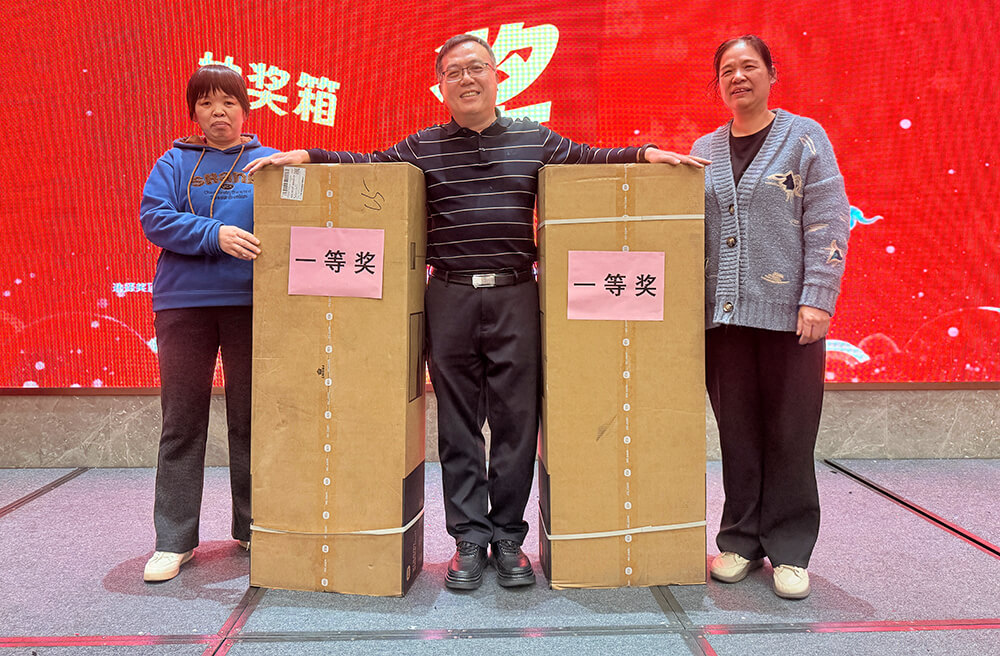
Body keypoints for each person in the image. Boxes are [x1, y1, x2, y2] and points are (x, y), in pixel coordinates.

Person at [245, 33, 708, 590]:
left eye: (476, 68)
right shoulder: (423, 147)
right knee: (459, 422)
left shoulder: (534, 138)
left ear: (496, 75)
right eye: (454, 72)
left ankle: (508, 537)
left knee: (517, 421)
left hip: (517, 296)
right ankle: (468, 538)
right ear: (440, 85)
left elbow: (590, 159)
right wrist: (309, 156)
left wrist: (646, 153)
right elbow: (370, 167)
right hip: (450, 296)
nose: (466, 79)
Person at [691, 35, 849, 599]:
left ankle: (789, 549)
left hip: (790, 318)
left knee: (790, 433)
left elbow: (829, 219)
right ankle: (739, 540)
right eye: (727, 70)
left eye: (749, 66)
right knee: (737, 433)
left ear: (771, 74)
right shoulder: (704, 148)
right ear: (718, 83)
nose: (738, 77)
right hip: (724, 321)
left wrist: (818, 296)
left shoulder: (805, 137)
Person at [139, 65, 278, 582]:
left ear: (246, 108)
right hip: (184, 304)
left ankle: (254, 525)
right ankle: (173, 540)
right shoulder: (173, 162)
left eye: (228, 102)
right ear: (194, 112)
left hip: (253, 304)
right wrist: (213, 234)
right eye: (205, 103)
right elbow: (154, 218)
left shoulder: (269, 163)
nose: (218, 112)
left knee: (252, 419)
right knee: (182, 421)